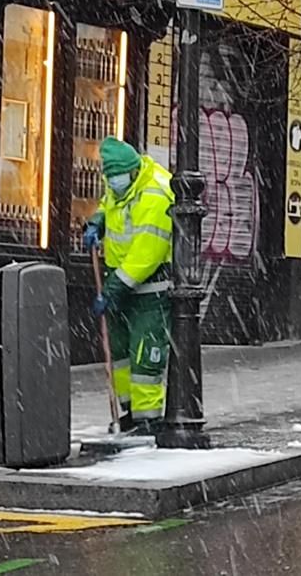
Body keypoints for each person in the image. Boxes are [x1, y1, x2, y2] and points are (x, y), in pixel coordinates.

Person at [83, 137, 175, 435]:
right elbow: (108, 202)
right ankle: (129, 413)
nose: (112, 183)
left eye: (116, 177)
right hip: (119, 285)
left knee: (144, 354)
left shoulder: (155, 195)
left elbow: (145, 256)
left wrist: (111, 290)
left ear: (133, 171)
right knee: (120, 351)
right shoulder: (120, 184)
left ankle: (149, 419)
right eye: (108, 178)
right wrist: (97, 221)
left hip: (148, 289)